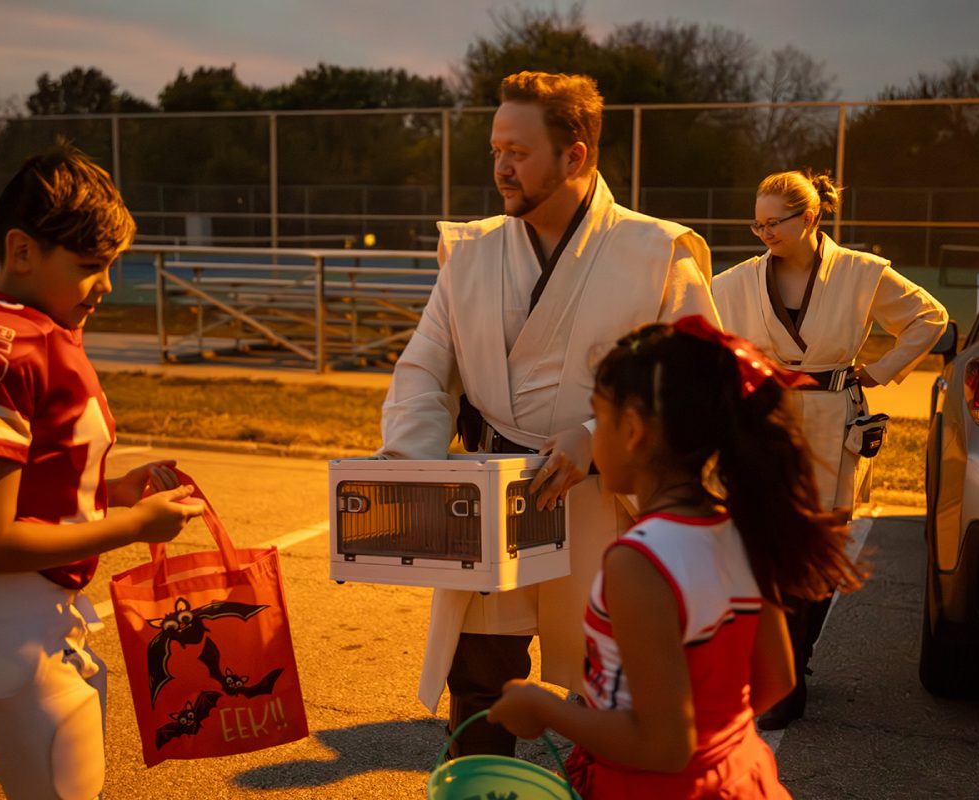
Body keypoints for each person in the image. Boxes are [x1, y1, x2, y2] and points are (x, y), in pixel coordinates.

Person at [378, 71, 718, 757]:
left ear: (576, 157)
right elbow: (426, 368)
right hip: (490, 498)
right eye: (496, 149)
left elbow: (697, 378)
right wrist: (410, 474)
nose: (502, 166)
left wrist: (597, 436)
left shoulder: (656, 251)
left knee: (609, 696)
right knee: (477, 690)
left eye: (519, 151)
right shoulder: (470, 250)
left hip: (601, 502)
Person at [0, 145, 205, 800]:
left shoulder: (30, 331)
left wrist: (115, 490)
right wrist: (131, 525)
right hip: (2, 613)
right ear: (21, 252)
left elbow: (37, 480)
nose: (105, 285)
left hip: (29, 611)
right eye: (89, 266)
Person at [488, 316, 866, 798]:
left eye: (598, 417)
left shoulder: (639, 562)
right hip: (740, 776)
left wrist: (544, 711)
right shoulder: (739, 528)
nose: (593, 433)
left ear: (631, 430)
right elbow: (775, 680)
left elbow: (664, 747)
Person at [712, 169, 947, 729]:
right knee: (768, 551)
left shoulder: (862, 274)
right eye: (758, 223)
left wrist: (877, 371)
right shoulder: (738, 281)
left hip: (832, 422)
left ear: (811, 217)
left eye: (775, 222)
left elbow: (929, 318)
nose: (764, 233)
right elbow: (700, 329)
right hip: (763, 421)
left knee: (817, 552)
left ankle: (797, 657)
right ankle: (782, 683)